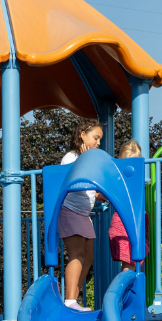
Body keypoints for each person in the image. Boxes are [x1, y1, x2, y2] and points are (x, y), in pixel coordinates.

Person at [59, 119, 104, 310]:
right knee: (77, 255)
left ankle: (73, 298)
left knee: (89, 257)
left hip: (84, 214)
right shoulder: (71, 157)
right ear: (83, 135)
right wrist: (85, 161)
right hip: (70, 211)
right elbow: (74, 182)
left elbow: (91, 190)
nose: (98, 143)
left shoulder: (88, 159)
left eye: (100, 139)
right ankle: (69, 300)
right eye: (96, 138)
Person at [108, 139, 141, 272]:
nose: (131, 168)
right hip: (124, 223)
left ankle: (129, 291)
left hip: (133, 221)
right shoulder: (118, 177)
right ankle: (123, 292)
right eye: (128, 162)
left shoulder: (136, 178)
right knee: (129, 266)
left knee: (134, 265)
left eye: (135, 162)